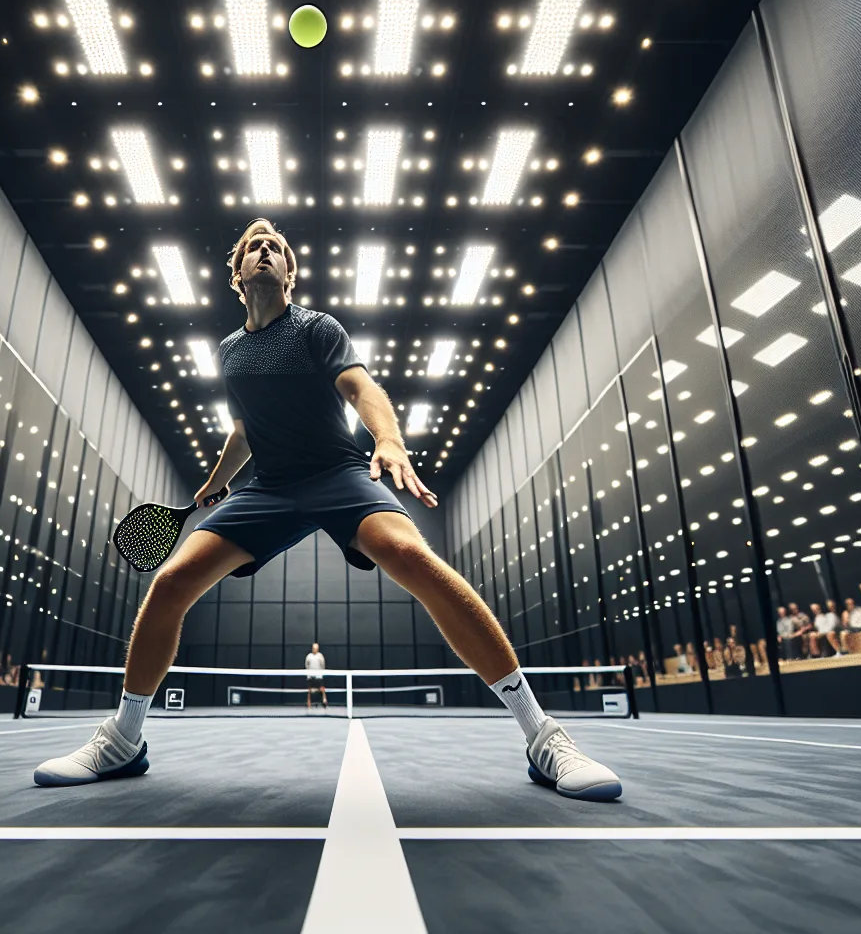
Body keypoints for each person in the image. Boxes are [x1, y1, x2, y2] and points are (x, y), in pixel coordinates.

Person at [36, 219, 620, 801]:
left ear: (290, 273)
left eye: (276, 249)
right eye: (253, 248)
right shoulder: (229, 352)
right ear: (237, 275)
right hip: (268, 487)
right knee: (172, 579)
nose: (265, 252)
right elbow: (243, 430)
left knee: (409, 555)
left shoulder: (316, 328)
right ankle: (124, 740)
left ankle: (543, 737)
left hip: (339, 472)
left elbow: (361, 388)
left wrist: (387, 439)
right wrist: (214, 484)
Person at [304, 641, 328, 711]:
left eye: (316, 648)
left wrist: (320, 672)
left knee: (322, 688)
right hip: (310, 676)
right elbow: (306, 665)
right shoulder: (309, 656)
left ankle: (324, 700)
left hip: (318, 676)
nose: (315, 649)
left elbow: (323, 665)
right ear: (312, 648)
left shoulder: (320, 656)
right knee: (309, 691)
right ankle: (309, 704)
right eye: (314, 648)